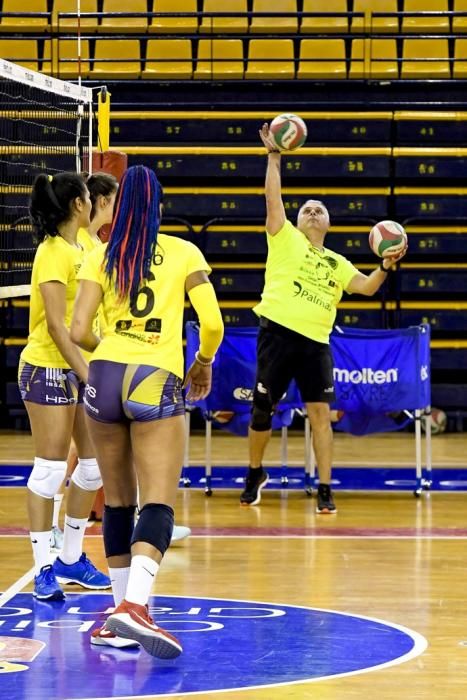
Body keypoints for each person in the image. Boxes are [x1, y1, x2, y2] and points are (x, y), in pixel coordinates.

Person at [71, 165, 224, 657]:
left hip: (105, 375)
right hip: (155, 375)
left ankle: (118, 616)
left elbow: (77, 331)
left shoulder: (100, 255)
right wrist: (201, 364)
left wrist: (114, 346)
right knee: (158, 501)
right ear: (157, 204)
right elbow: (215, 324)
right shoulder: (183, 251)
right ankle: (134, 607)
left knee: (117, 503)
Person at [240, 123, 407, 513]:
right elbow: (272, 197)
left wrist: (385, 265)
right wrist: (274, 155)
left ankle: (325, 487)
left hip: (316, 344)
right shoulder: (283, 236)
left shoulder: (337, 261)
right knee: (262, 409)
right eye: (307, 209)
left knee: (321, 414)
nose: (313, 212)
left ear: (328, 224)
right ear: (297, 222)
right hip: (277, 335)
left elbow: (366, 287)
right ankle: (254, 472)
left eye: (320, 210)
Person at [18, 172, 111, 601]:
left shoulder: (88, 246)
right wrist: (89, 374)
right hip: (48, 368)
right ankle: (43, 570)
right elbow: (57, 327)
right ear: (78, 204)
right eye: (90, 197)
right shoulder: (51, 252)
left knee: (91, 469)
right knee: (51, 470)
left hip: (81, 367)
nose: (93, 203)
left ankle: (72, 558)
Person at [51, 172, 119, 552]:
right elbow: (65, 322)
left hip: (94, 356)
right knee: (66, 454)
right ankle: (58, 525)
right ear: (100, 201)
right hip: (76, 360)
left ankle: (67, 531)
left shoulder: (93, 244)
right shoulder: (71, 248)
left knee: (87, 450)